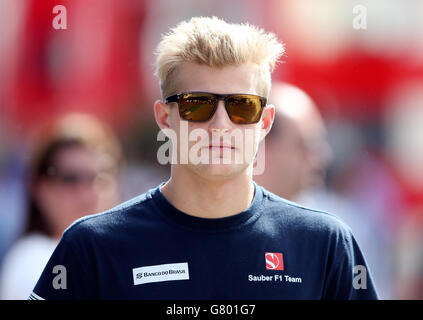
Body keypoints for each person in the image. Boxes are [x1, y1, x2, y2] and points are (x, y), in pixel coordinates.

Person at [29, 16, 378, 300]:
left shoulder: (325, 243)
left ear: (264, 121)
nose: (220, 125)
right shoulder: (92, 247)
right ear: (166, 117)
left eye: (242, 106)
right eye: (198, 104)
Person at [255, 82, 392, 298]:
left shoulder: (340, 230)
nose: (323, 157)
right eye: (306, 145)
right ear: (261, 144)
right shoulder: (217, 222)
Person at [0, 113, 122, 299]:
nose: (88, 193)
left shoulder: (125, 255)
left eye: (100, 177)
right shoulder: (32, 259)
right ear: (40, 188)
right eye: (70, 179)